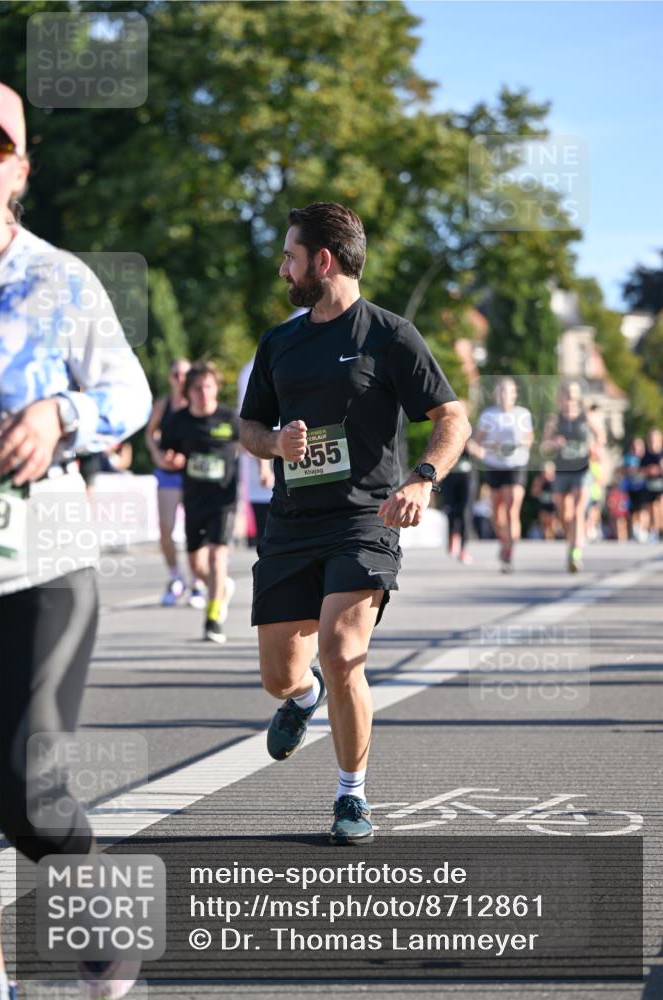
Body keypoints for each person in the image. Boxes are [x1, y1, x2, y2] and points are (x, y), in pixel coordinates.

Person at [239, 202, 470, 844]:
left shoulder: (390, 335)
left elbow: (452, 416)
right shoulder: (279, 342)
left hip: (364, 521)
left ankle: (351, 797)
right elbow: (248, 426)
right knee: (279, 675)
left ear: (323, 261)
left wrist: (423, 478)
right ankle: (302, 698)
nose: (282, 267)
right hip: (291, 524)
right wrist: (274, 444)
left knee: (344, 654)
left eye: (289, 255)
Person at [0, 81, 151, 999]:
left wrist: (62, 412)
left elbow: (130, 397)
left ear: (20, 165)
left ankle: (106, 930)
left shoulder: (59, 279)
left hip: (41, 564)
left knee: (27, 789)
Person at [159, 361, 239, 643]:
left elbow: (252, 445)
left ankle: (213, 617)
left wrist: (265, 470)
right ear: (188, 391)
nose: (203, 393)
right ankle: (220, 588)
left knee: (218, 556)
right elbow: (163, 450)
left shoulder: (230, 418)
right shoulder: (179, 421)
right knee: (196, 565)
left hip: (224, 499)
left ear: (216, 388)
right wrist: (168, 460)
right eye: (197, 388)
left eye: (208, 386)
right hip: (193, 499)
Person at [540, 381, 605, 572]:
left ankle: (576, 551)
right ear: (560, 398)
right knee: (564, 514)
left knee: (578, 510)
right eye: (566, 396)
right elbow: (543, 446)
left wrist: (596, 447)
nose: (570, 400)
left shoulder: (587, 417)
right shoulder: (555, 419)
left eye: (573, 396)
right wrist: (554, 443)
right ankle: (572, 542)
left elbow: (601, 436)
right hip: (562, 471)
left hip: (582, 469)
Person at [144, 357, 192, 605]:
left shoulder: (196, 403)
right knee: (166, 529)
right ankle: (175, 576)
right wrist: (157, 454)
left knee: (197, 529)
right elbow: (150, 432)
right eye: (175, 374)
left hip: (193, 473)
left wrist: (187, 458)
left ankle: (200, 582)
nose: (180, 379)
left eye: (185, 374)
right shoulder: (163, 404)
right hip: (167, 473)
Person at [472, 377, 533, 572]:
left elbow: (529, 439)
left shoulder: (522, 414)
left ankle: (509, 551)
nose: (505, 395)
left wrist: (516, 445)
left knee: (512, 509)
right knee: (498, 515)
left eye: (509, 391)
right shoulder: (488, 415)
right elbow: (476, 442)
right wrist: (488, 448)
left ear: (515, 394)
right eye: (501, 391)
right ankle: (503, 540)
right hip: (494, 465)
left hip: (516, 465)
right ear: (496, 394)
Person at [237, 356, 275, 546]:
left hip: (307, 473)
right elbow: (253, 423)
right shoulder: (252, 369)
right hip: (264, 483)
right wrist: (264, 467)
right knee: (267, 544)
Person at [441, 445, 473, 563]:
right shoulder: (445, 428)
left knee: (465, 512)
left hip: (467, 476)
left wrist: (470, 447)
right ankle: (452, 537)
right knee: (450, 510)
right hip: (449, 475)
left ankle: (464, 549)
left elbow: (482, 454)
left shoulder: (473, 433)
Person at [641, 428, 663, 541]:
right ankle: (655, 530)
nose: (652, 442)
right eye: (650, 440)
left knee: (660, 505)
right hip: (650, 485)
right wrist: (648, 470)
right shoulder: (646, 455)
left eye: (654, 440)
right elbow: (640, 470)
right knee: (652, 508)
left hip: (661, 484)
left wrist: (659, 469)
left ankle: (659, 529)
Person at [530, 461, 558, 540]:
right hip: (543, 503)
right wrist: (541, 484)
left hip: (553, 504)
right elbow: (533, 493)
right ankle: (547, 538)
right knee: (544, 522)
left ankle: (553, 536)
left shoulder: (556, 479)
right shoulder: (539, 479)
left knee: (552, 522)